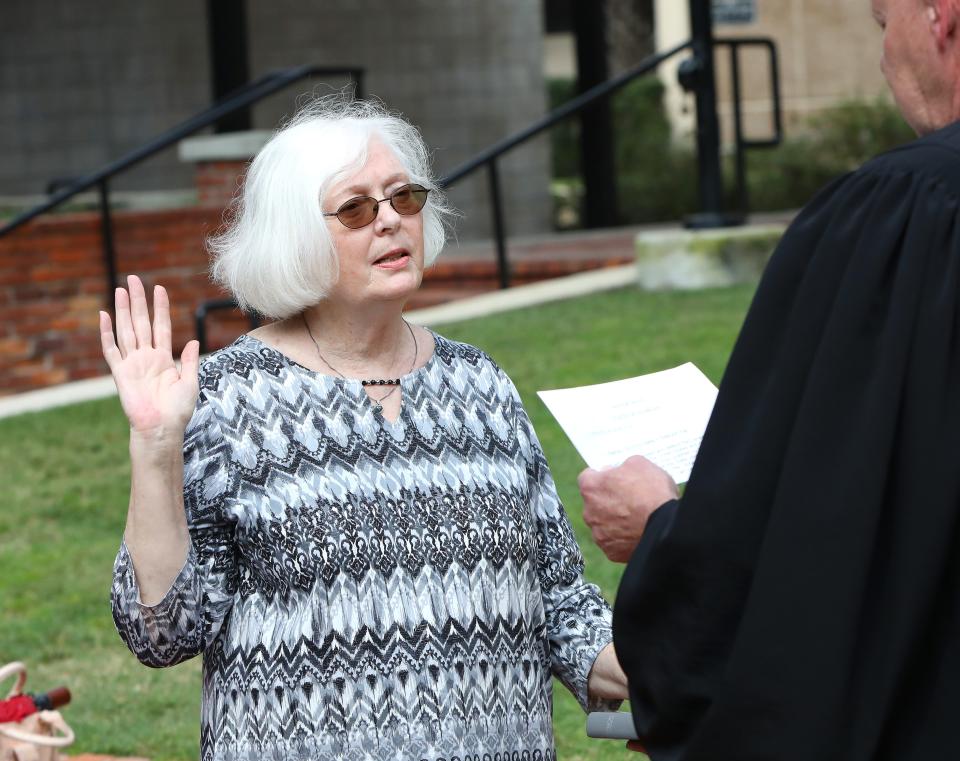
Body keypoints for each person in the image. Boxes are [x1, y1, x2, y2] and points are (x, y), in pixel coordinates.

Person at [103, 98, 627, 761]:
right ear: (297, 234)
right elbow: (164, 632)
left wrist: (667, 672)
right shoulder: (228, 400)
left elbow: (558, 603)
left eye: (404, 198)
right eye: (356, 208)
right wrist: (156, 448)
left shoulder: (480, 385)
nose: (390, 220)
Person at [578, 1, 960, 759]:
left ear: (939, 17)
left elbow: (794, 549)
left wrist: (656, 528)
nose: (884, 59)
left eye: (882, 23)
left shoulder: (904, 218)